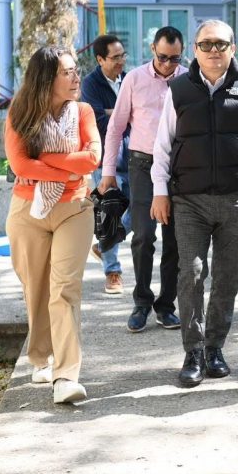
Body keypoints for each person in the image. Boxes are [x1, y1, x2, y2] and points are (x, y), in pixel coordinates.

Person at [151, 20, 238, 387]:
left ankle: (215, 347)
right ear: (195, 50)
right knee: (190, 273)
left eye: (222, 44)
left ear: (233, 48)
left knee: (226, 278)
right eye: (207, 44)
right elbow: (163, 146)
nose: (214, 50)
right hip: (189, 200)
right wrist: (160, 191)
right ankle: (193, 351)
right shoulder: (178, 89)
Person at [4, 46, 100, 404]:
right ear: (46, 78)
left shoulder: (84, 111)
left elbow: (92, 158)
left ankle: (66, 376)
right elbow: (20, 166)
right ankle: (40, 356)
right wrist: (64, 165)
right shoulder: (20, 112)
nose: (77, 77)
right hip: (28, 211)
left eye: (77, 70)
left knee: (64, 290)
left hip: (75, 207)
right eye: (67, 72)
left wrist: (42, 157)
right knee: (36, 290)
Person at [100, 27, 185, 333]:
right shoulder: (134, 79)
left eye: (174, 58)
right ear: (152, 49)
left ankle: (166, 305)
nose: (167, 64)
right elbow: (115, 128)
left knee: (175, 240)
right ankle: (141, 302)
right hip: (142, 165)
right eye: (162, 57)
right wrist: (108, 171)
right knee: (143, 236)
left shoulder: (188, 79)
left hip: (179, 168)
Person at [81, 34, 130, 295]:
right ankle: (113, 272)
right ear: (100, 59)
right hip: (105, 158)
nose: (121, 61)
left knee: (141, 210)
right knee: (110, 212)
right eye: (115, 57)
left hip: (133, 153)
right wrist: (124, 112)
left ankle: (103, 245)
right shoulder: (91, 84)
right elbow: (97, 120)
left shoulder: (130, 78)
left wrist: (115, 113)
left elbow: (140, 113)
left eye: (123, 55)